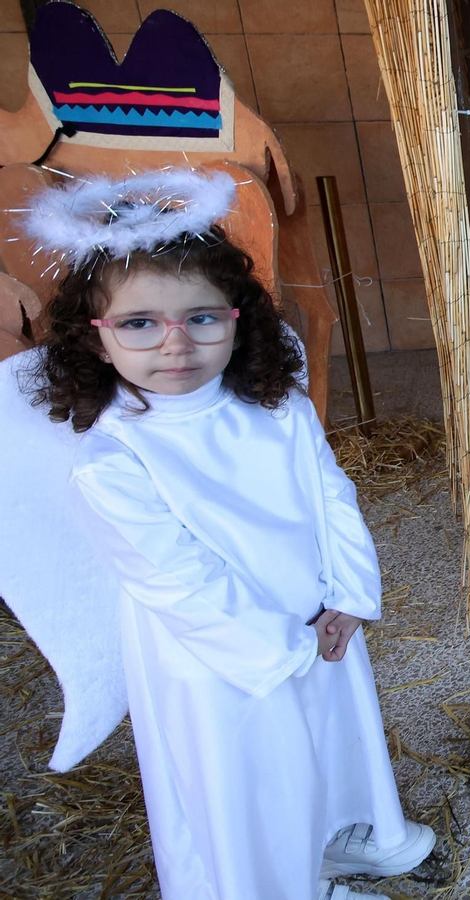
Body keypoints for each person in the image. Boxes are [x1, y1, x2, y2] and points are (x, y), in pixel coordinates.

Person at [22, 171, 433, 900]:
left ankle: (337, 845)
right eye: (140, 323)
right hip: (216, 657)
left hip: (319, 619)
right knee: (251, 782)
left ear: (237, 319)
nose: (175, 344)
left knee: (324, 744)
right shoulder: (114, 460)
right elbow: (177, 581)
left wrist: (348, 596)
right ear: (95, 335)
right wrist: (287, 645)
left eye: (202, 318)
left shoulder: (274, 404)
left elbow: (328, 494)